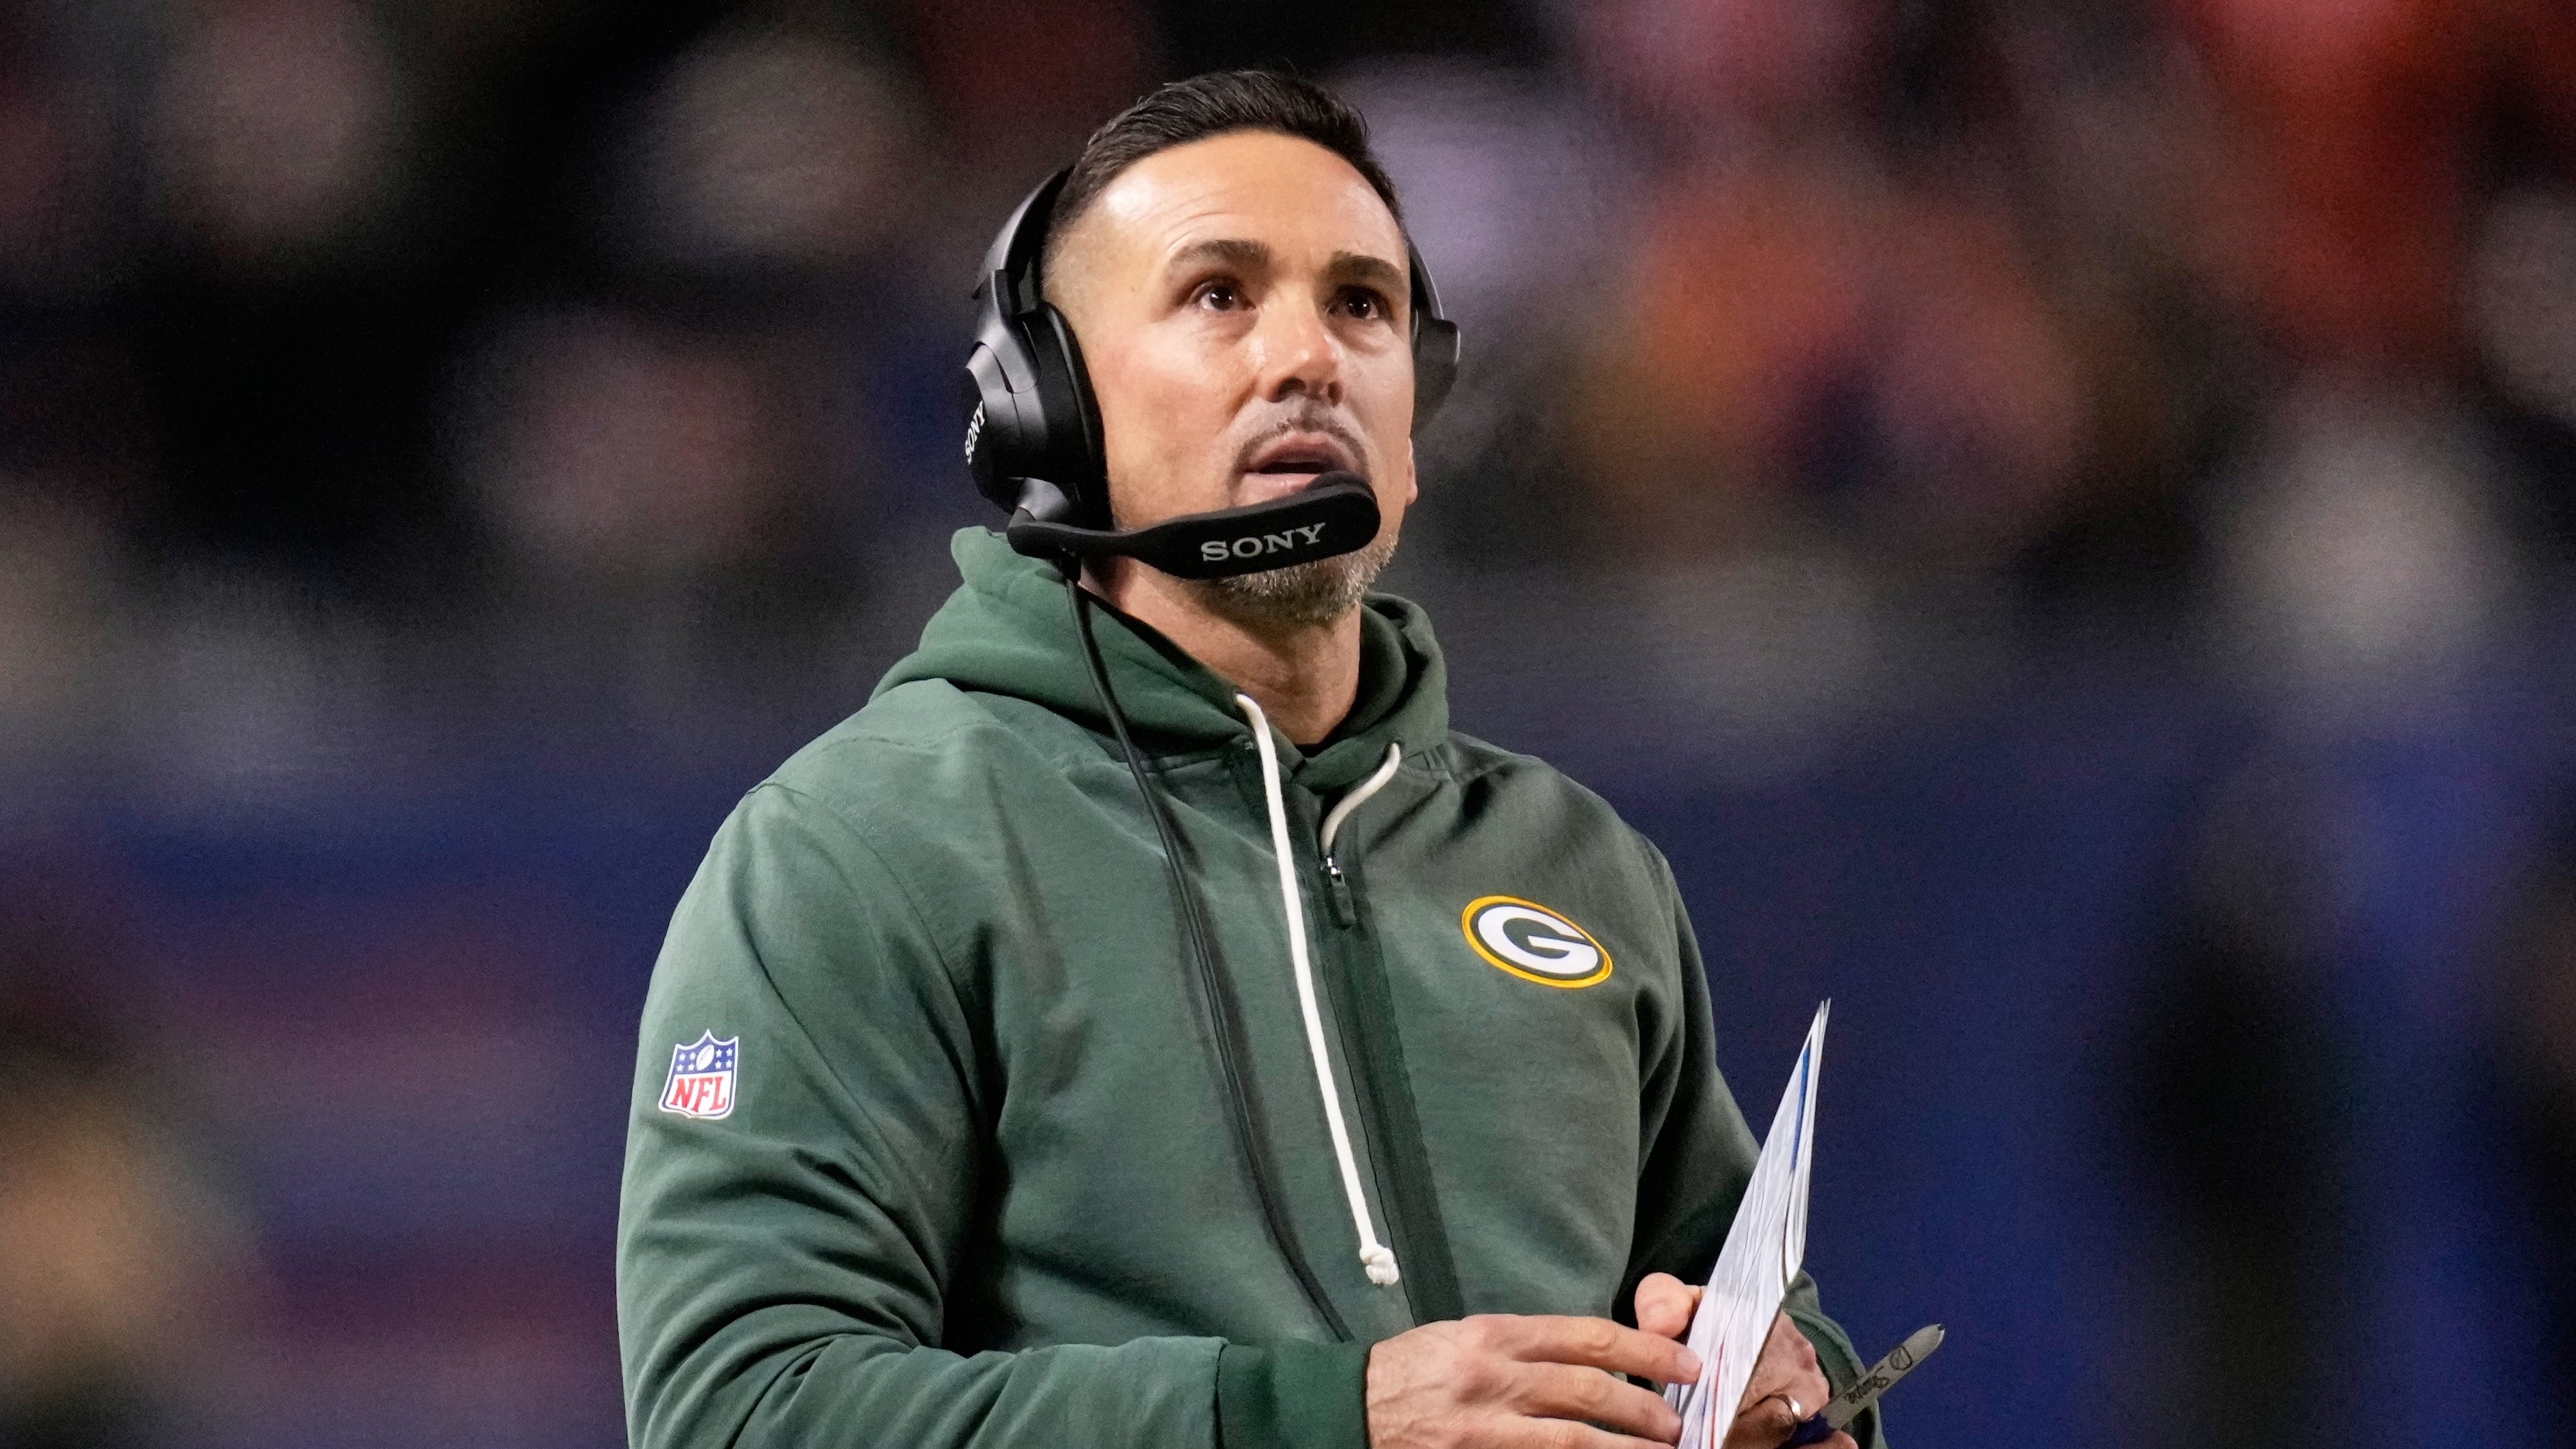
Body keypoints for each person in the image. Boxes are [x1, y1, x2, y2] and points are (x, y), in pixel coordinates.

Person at [617, 70, 1884, 1449]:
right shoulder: (862, 849)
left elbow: (1745, 1326)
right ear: (1051, 407)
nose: (1310, 358)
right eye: (1219, 294)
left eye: (1363, 306)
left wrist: (1793, 1398)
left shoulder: (1575, 862)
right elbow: (740, 1412)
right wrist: (1328, 1421)